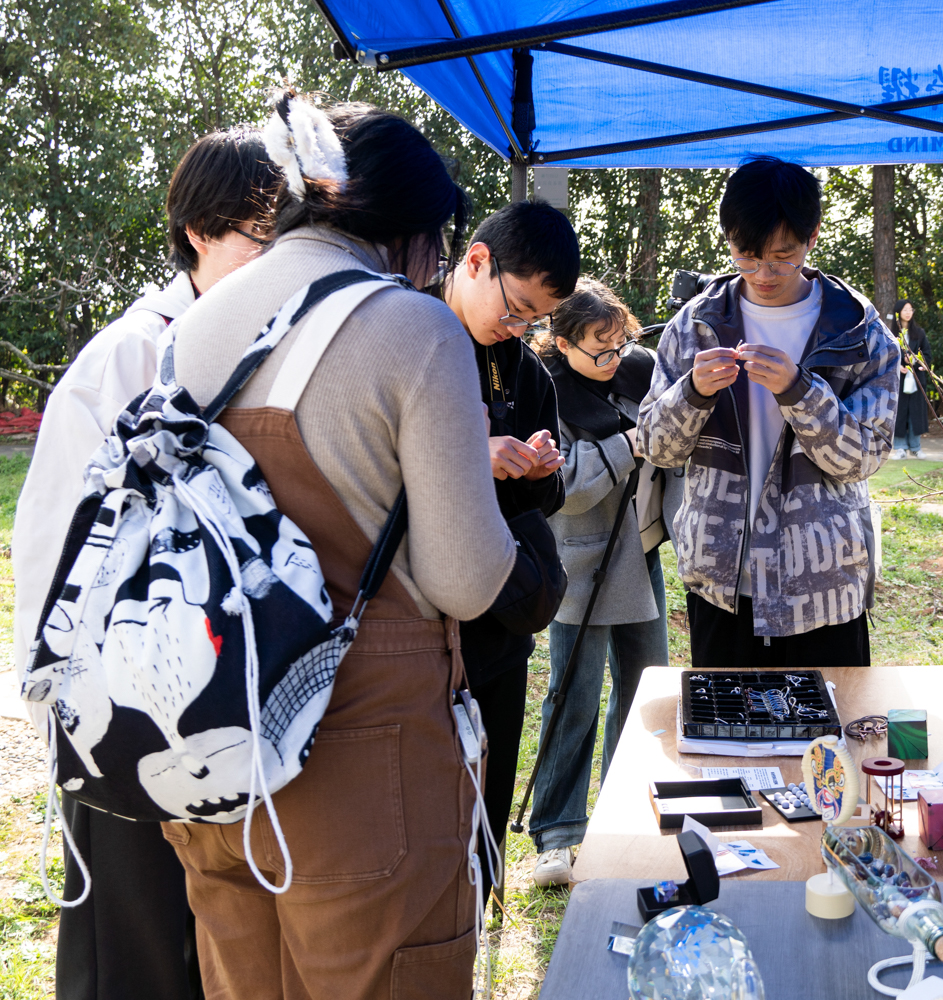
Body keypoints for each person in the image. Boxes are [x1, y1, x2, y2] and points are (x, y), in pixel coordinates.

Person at [165, 92, 514, 997]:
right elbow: (467, 580)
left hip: (212, 748)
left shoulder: (195, 324)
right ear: (409, 231)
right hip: (366, 772)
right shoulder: (412, 326)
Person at [13, 127, 278, 1000]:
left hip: (223, 696)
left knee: (207, 934)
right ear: (200, 231)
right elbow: (53, 534)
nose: (274, 262)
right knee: (130, 937)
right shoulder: (128, 356)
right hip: (119, 698)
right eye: (259, 238)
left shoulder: (268, 346)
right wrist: (64, 698)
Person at [638, 154, 898, 667]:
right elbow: (654, 446)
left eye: (783, 255)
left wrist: (801, 390)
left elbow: (865, 456)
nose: (764, 272)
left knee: (828, 740)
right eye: (746, 254)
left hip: (822, 587)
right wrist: (691, 392)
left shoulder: (858, 333)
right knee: (725, 739)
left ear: (813, 237)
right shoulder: (697, 325)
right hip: (722, 581)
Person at [440, 200, 578, 903]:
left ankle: (486, 897)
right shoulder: (410, 339)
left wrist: (541, 471)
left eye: (533, 320)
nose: (518, 328)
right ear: (476, 262)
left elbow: (541, 508)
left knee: (489, 782)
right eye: (516, 308)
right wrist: (473, 455)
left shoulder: (518, 371)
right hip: (423, 625)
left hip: (499, 621)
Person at [527, 278, 683, 886]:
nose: (612, 360)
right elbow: (561, 491)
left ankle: (627, 811)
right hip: (580, 565)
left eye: (619, 345)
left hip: (640, 552)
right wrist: (630, 445)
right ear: (561, 343)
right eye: (599, 349)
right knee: (573, 696)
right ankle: (558, 833)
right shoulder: (547, 393)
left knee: (646, 693)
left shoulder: (639, 373)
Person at [891, 299, 932, 459]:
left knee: (915, 413)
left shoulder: (919, 333)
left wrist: (915, 360)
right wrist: (897, 366)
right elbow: (885, 356)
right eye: (905, 309)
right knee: (899, 413)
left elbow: (928, 354)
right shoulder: (891, 334)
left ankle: (916, 447)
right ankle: (900, 447)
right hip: (897, 380)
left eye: (911, 309)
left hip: (916, 379)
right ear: (898, 312)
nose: (908, 312)